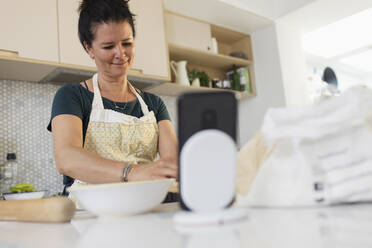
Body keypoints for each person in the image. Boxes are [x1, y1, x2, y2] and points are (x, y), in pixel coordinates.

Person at [47, 0, 178, 199]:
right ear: (89, 48)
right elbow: (66, 158)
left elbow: (172, 163)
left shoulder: (154, 104)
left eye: (127, 43)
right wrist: (132, 172)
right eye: (109, 46)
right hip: (88, 213)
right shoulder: (72, 96)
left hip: (146, 207)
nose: (121, 53)